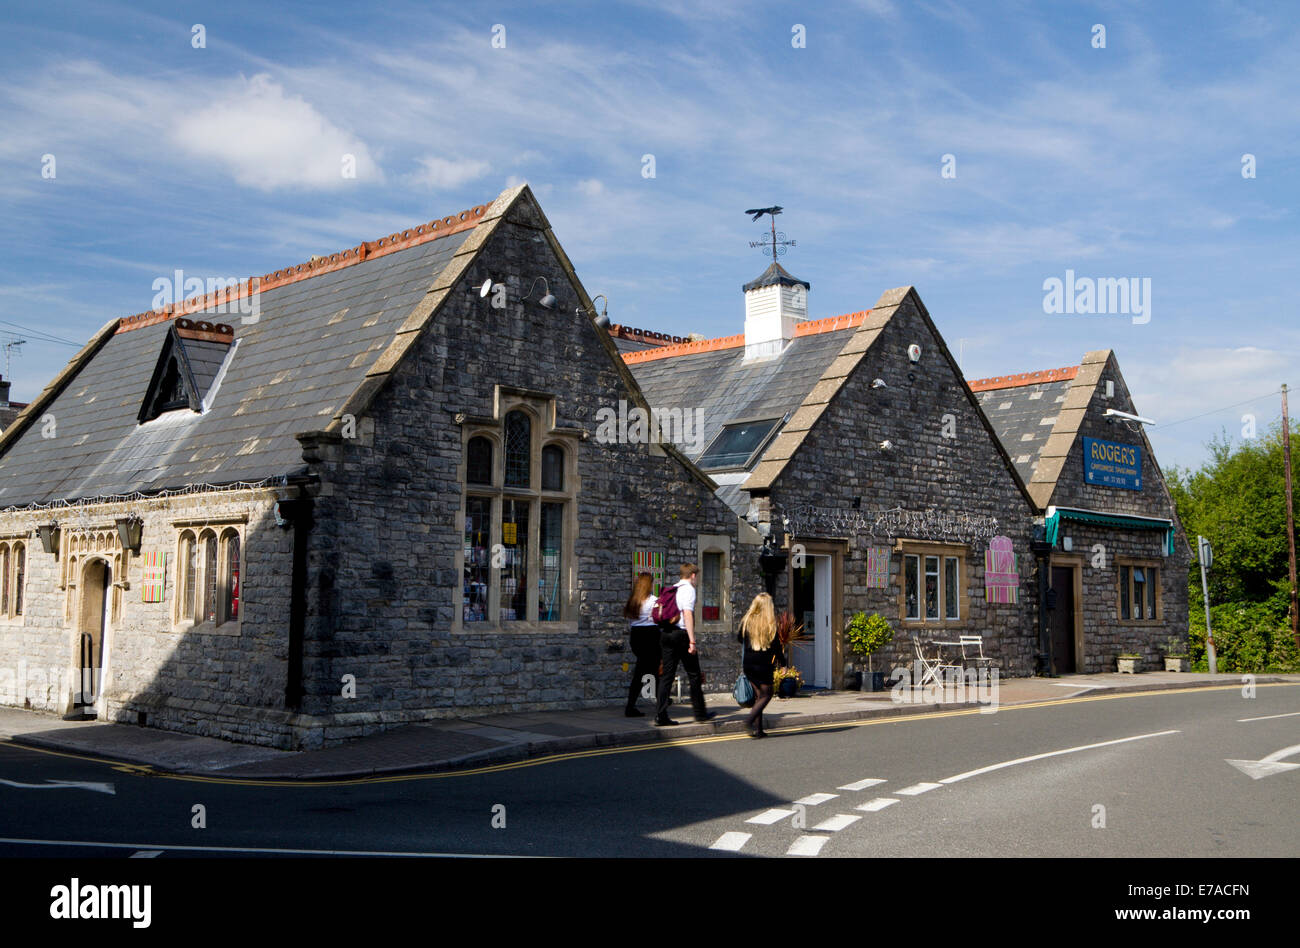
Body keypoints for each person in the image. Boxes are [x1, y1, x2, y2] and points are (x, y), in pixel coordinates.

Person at [654, 563, 714, 725]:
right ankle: (700, 714)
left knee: (667, 675)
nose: (697, 580)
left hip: (666, 634)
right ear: (693, 575)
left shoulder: (673, 588)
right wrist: (692, 641)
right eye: (697, 576)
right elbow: (687, 615)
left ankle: (661, 715)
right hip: (680, 635)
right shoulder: (688, 589)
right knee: (694, 674)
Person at [737, 592, 784, 738]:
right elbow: (776, 647)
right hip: (763, 664)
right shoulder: (770, 623)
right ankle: (749, 721)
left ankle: (759, 730)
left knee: (759, 696)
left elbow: (739, 638)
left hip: (749, 664)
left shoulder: (747, 620)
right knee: (767, 694)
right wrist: (783, 664)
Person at [623, 572, 660, 717]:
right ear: (649, 584)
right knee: (651, 671)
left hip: (636, 637)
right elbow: (658, 619)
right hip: (651, 636)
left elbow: (631, 621)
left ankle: (632, 705)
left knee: (645, 670)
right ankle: (659, 706)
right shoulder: (654, 600)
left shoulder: (633, 601)